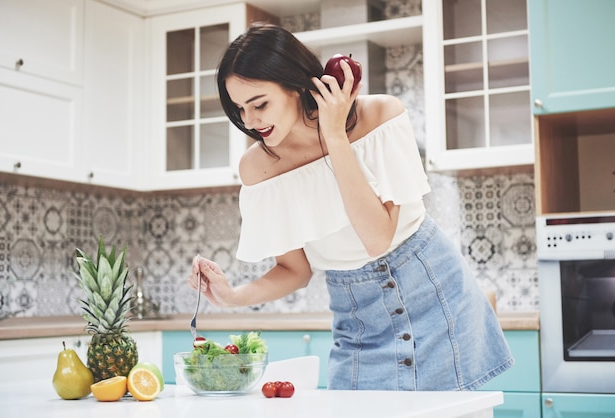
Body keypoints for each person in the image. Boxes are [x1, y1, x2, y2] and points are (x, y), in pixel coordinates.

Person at [188, 23, 514, 391]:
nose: (250, 121)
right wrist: (232, 296)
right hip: (360, 325)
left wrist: (335, 136)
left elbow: (378, 238)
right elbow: (294, 270)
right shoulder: (257, 168)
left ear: (297, 86)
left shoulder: (381, 118)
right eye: (239, 109)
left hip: (439, 304)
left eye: (260, 104)